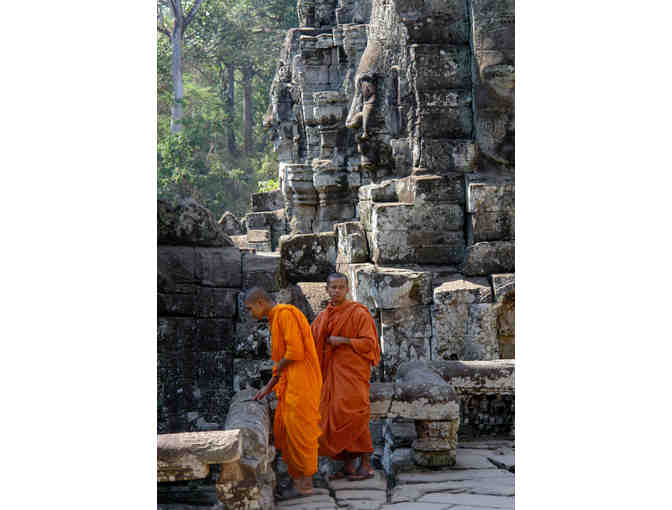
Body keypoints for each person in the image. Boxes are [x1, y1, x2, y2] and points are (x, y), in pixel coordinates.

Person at [246, 287, 322, 499]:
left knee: (300, 431)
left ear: (260, 302)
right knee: (289, 431)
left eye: (250, 308)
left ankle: (305, 485)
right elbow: (283, 360)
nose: (250, 313)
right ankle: (298, 479)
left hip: (302, 382)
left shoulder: (285, 314)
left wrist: (275, 373)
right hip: (292, 381)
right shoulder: (276, 318)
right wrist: (269, 386)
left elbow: (294, 352)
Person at [310, 273, 381, 481]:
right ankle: (349, 466)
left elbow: (370, 344)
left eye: (341, 287)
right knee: (332, 414)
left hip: (353, 373)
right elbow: (310, 341)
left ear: (347, 289)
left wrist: (343, 341)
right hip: (331, 373)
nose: (337, 291)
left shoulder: (358, 313)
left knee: (355, 414)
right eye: (333, 287)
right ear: (326, 289)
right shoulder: (323, 317)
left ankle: (366, 466)